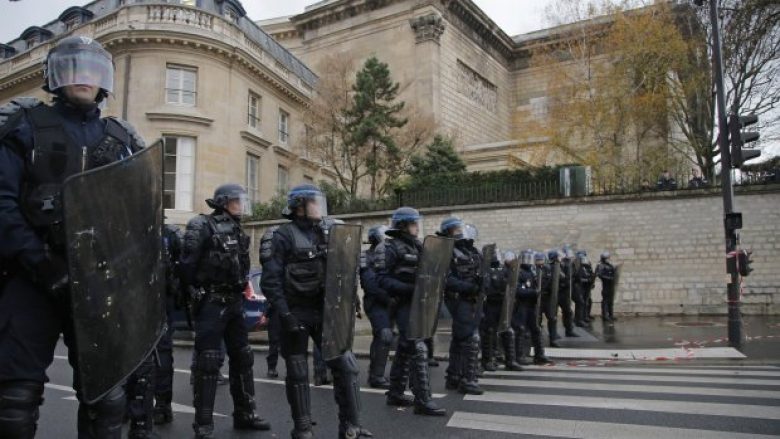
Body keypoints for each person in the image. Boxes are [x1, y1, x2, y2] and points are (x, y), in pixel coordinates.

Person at [0, 36, 147, 438]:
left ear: (106, 82)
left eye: (93, 70)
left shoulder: (122, 141)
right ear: (54, 77)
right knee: (14, 398)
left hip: (98, 284)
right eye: (73, 68)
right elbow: (3, 205)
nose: (84, 78)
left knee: (108, 398)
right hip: (32, 277)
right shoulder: (23, 126)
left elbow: (137, 219)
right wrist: (42, 264)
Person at [261, 184, 372, 439]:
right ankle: (302, 428)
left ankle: (351, 426)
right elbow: (271, 280)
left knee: (346, 366)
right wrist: (285, 314)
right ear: (299, 207)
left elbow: (341, 270)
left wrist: (350, 298)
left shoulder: (327, 232)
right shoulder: (282, 235)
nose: (319, 207)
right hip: (295, 312)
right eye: (314, 202)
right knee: (298, 371)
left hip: (325, 312)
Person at [180, 184, 270, 438]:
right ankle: (204, 423)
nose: (242, 205)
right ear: (223, 202)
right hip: (211, 302)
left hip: (234, 302)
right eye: (237, 201)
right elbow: (187, 266)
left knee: (243, 357)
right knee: (208, 362)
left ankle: (245, 414)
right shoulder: (201, 225)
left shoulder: (239, 230)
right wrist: (197, 292)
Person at [376, 207, 446, 416]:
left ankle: (395, 392)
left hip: (419, 303)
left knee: (406, 348)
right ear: (403, 225)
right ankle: (422, 400)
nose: (417, 227)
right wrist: (410, 289)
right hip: (402, 303)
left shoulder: (417, 246)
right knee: (418, 347)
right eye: (414, 223)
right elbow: (381, 279)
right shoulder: (388, 247)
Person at [125, 224, 183, 438]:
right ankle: (141, 410)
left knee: (159, 357)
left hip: (158, 302)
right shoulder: (131, 227)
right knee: (137, 359)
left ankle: (159, 407)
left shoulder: (168, 234)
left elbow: (180, 268)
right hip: (136, 301)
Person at [438, 218, 485, 395]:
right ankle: (468, 379)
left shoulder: (471, 250)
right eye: (456, 229)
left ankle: (454, 376)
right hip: (458, 298)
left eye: (460, 228)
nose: (460, 231)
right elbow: (446, 279)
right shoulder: (447, 251)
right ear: (448, 231)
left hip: (472, 299)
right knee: (470, 338)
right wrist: (469, 287)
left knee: (460, 338)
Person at [361, 225, 394, 389]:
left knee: (385, 338)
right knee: (384, 334)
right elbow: (370, 284)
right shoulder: (365, 257)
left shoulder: (390, 255)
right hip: (376, 302)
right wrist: (389, 298)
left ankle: (377, 371)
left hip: (391, 301)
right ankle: (376, 376)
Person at [479, 251, 523, 371]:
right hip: (490, 304)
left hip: (503, 304)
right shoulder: (485, 270)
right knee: (489, 333)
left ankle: (510, 360)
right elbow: (486, 287)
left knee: (507, 330)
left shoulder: (504, 270)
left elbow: (511, 284)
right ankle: (487, 360)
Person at [512, 251, 553, 365]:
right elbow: (518, 290)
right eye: (526, 259)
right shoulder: (519, 273)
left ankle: (539, 355)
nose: (528, 262)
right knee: (520, 330)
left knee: (536, 330)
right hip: (521, 305)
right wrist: (533, 292)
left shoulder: (533, 271)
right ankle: (519, 355)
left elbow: (541, 285)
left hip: (532, 305)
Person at [259, 225, 282, 378]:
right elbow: (270, 293)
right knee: (274, 342)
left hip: (289, 306)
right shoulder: (272, 267)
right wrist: (266, 314)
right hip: (276, 310)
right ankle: (271, 367)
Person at [539, 250, 565, 347]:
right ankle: (537, 340)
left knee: (552, 318)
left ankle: (553, 339)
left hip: (549, 297)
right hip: (540, 297)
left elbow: (563, 278)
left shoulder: (554, 268)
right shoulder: (542, 269)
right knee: (537, 319)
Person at [558, 247, 579, 338]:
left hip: (566, 291)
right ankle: (553, 333)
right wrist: (564, 282)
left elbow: (573, 276)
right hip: (559, 290)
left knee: (568, 311)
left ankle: (569, 330)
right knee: (552, 313)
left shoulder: (571, 265)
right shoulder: (559, 264)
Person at [573, 250, 596, 328]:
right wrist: (584, 280)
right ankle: (578, 319)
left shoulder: (587, 265)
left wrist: (591, 281)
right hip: (579, 286)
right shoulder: (575, 265)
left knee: (587, 301)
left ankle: (585, 316)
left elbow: (590, 273)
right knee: (580, 302)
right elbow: (575, 277)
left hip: (586, 286)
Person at [595, 251, 618, 323]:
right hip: (606, 285)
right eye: (607, 257)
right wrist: (609, 278)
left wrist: (615, 270)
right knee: (605, 301)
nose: (608, 258)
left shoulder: (609, 265)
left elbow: (613, 272)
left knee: (610, 301)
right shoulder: (601, 265)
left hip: (611, 285)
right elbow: (600, 275)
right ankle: (605, 315)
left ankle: (611, 315)